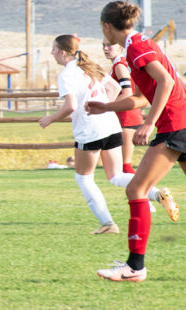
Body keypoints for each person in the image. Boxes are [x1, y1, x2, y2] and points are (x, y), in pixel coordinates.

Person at [86, 1, 184, 282]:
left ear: (107, 27)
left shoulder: (136, 47)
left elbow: (165, 82)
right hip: (179, 120)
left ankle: (134, 267)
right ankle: (134, 266)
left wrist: (149, 123)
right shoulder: (139, 43)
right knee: (137, 188)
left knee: (137, 189)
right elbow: (140, 97)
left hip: (175, 124)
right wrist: (106, 107)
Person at [39, 34, 173, 236]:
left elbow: (71, 106)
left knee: (84, 178)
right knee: (116, 175)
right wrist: (104, 108)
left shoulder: (67, 74)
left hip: (90, 130)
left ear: (64, 52)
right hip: (110, 125)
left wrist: (51, 118)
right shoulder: (90, 66)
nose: (52, 53)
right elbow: (115, 87)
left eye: (54, 49)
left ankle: (108, 223)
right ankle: (156, 193)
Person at [102, 37, 144, 174]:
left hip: (127, 117)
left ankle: (156, 194)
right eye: (103, 45)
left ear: (120, 47)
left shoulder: (119, 65)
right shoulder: (118, 64)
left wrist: (107, 107)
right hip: (126, 115)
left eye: (109, 45)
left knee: (125, 166)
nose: (105, 48)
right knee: (122, 167)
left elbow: (127, 93)